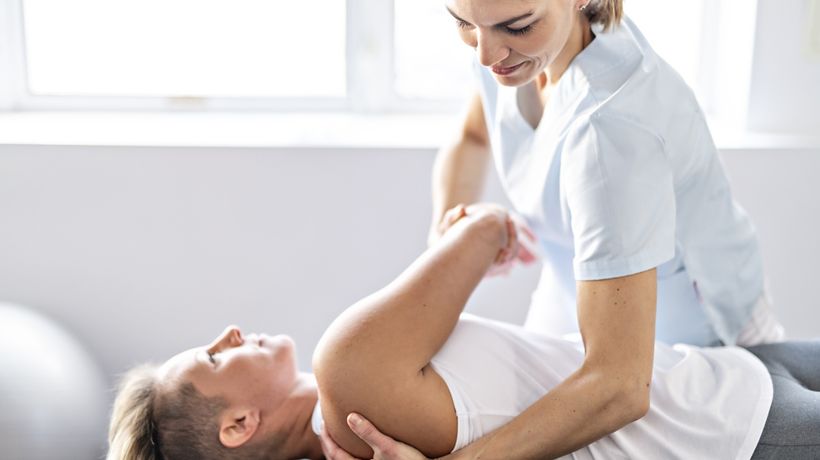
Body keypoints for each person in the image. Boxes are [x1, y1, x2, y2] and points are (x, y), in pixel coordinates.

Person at [321, 0, 786, 457]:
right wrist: (450, 238)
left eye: (517, 26)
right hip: (577, 292)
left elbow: (620, 385)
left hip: (699, 332)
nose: (484, 54)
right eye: (463, 23)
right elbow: (474, 136)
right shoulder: (509, 49)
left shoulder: (610, 129)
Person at [107, 205, 819, 460]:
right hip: (734, 429)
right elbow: (488, 230)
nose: (230, 332)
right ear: (238, 425)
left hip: (720, 376)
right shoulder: (346, 365)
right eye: (212, 354)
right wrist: (466, 232)